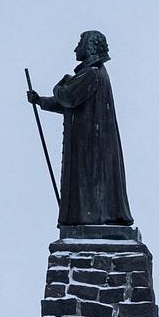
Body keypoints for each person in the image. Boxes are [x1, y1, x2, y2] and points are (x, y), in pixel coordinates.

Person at [25, 30, 134, 226]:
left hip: (90, 141)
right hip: (92, 139)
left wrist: (60, 85)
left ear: (90, 47)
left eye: (79, 44)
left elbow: (68, 97)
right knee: (90, 182)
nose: (76, 49)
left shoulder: (91, 73)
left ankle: (91, 217)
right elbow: (72, 103)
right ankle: (91, 216)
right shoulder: (94, 72)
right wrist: (41, 100)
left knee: (89, 181)